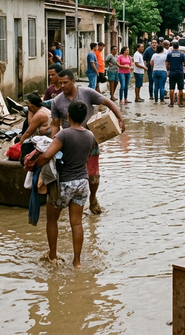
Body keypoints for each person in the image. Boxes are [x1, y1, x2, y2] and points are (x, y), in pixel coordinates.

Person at [51, 69, 125, 214]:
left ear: (73, 81)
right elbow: (55, 125)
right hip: (68, 142)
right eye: (60, 83)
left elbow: (108, 102)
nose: (63, 86)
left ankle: (93, 198)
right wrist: (53, 143)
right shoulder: (57, 101)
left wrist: (120, 119)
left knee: (93, 174)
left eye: (66, 82)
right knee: (68, 173)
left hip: (89, 139)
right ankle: (70, 201)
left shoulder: (87, 93)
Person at [36, 100, 95, 268]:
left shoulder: (64, 134)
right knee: (76, 223)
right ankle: (77, 262)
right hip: (83, 182)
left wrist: (34, 165)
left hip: (65, 183)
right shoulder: (90, 136)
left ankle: (53, 257)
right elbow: (86, 157)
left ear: (68, 116)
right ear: (84, 118)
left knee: (52, 220)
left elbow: (47, 155)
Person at [166, 41, 185, 107]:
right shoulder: (182, 54)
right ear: (178, 46)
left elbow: (166, 64)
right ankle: (179, 103)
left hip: (172, 72)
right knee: (180, 88)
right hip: (180, 73)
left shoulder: (169, 54)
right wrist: (182, 66)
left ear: (172, 46)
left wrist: (168, 70)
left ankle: (171, 103)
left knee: (171, 88)